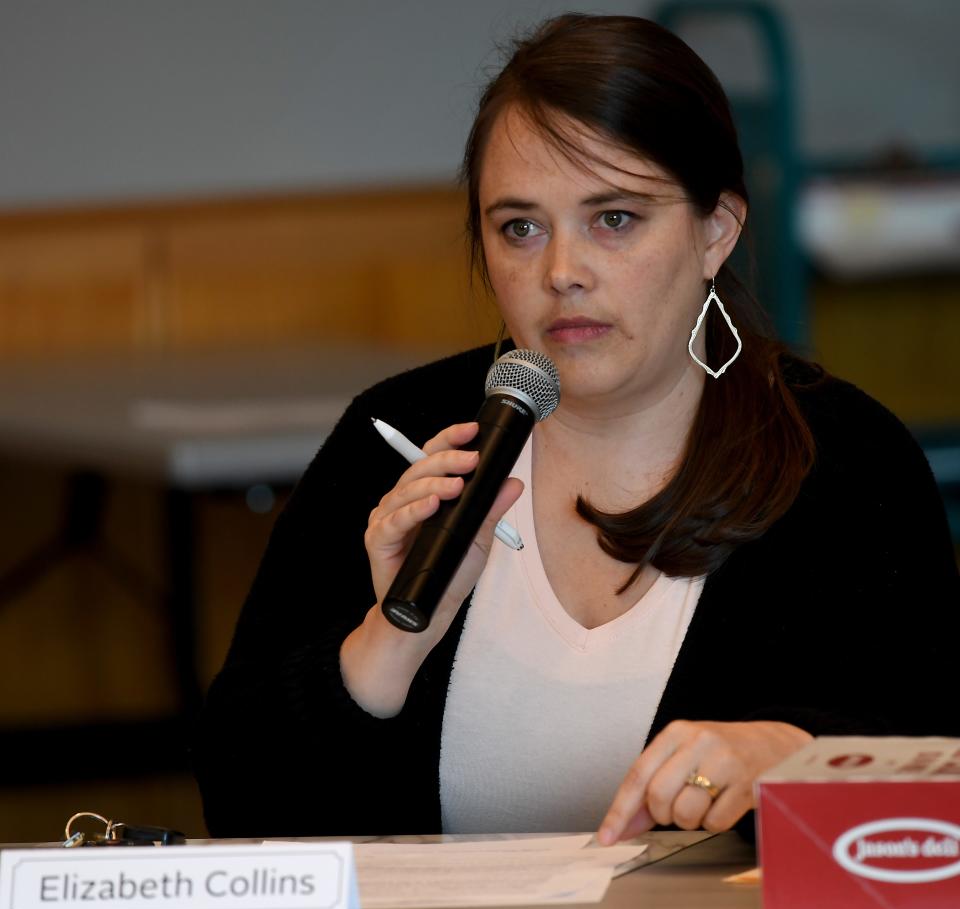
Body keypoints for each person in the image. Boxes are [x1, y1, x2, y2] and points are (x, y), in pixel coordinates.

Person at [194, 14, 960, 841]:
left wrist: (796, 754)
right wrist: (387, 642)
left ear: (717, 231)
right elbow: (242, 811)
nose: (561, 273)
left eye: (615, 219)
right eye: (519, 228)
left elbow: (929, 775)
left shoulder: (844, 461)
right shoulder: (399, 435)